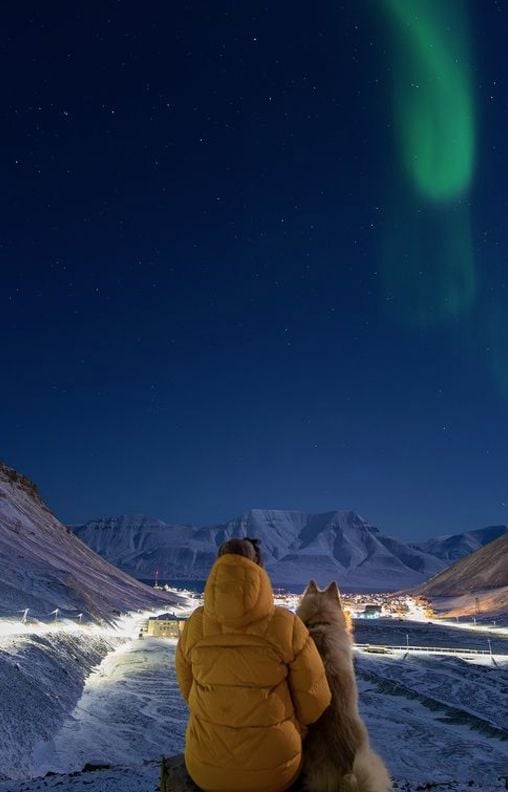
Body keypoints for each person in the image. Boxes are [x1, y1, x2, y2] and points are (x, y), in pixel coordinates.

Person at [175, 537, 331, 792]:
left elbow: (186, 686)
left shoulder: (195, 625)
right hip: (274, 774)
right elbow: (316, 700)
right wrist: (290, 725)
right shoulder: (287, 626)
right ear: (259, 568)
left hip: (205, 769)